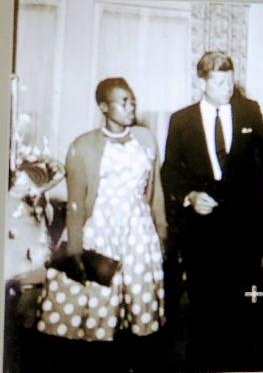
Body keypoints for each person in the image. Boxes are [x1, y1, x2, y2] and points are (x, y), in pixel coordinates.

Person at [35, 77, 167, 372]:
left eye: (132, 101)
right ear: (104, 107)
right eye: (123, 102)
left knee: (138, 307)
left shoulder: (145, 139)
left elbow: (155, 191)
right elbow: (76, 203)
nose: (130, 107)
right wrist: (76, 250)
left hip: (137, 232)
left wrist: (162, 233)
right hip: (100, 230)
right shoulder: (83, 146)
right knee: (99, 307)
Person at [161, 51, 263, 369]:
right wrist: (189, 196)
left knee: (240, 313)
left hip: (243, 229)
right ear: (201, 81)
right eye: (218, 81)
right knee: (203, 310)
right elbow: (170, 170)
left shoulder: (248, 111)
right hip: (201, 232)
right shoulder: (181, 120)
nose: (227, 88)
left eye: (230, 80)